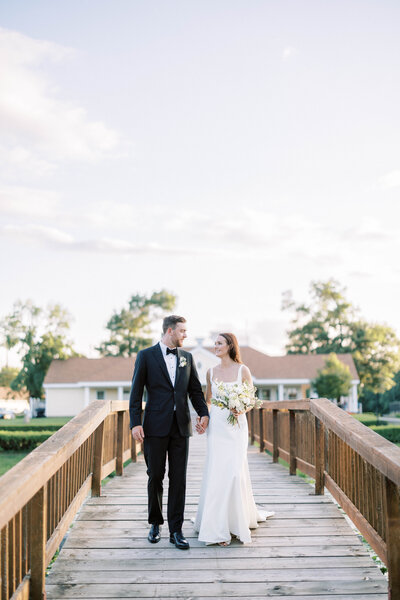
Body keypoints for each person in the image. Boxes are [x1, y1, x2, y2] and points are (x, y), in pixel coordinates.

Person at [130, 315, 209, 550]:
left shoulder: (187, 357)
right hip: (154, 427)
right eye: (183, 331)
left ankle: (176, 530)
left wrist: (204, 413)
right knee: (155, 475)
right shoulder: (146, 356)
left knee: (179, 480)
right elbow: (136, 393)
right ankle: (155, 523)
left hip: (181, 427)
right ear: (170, 331)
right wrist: (135, 423)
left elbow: (195, 390)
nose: (186, 335)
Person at [194, 332, 274, 545]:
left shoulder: (243, 370)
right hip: (217, 427)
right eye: (215, 343)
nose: (215, 346)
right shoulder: (210, 372)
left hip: (237, 427)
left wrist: (242, 409)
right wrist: (204, 419)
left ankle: (236, 522)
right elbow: (209, 401)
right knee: (218, 473)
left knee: (234, 473)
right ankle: (218, 527)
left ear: (230, 345)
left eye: (219, 343)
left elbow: (250, 400)